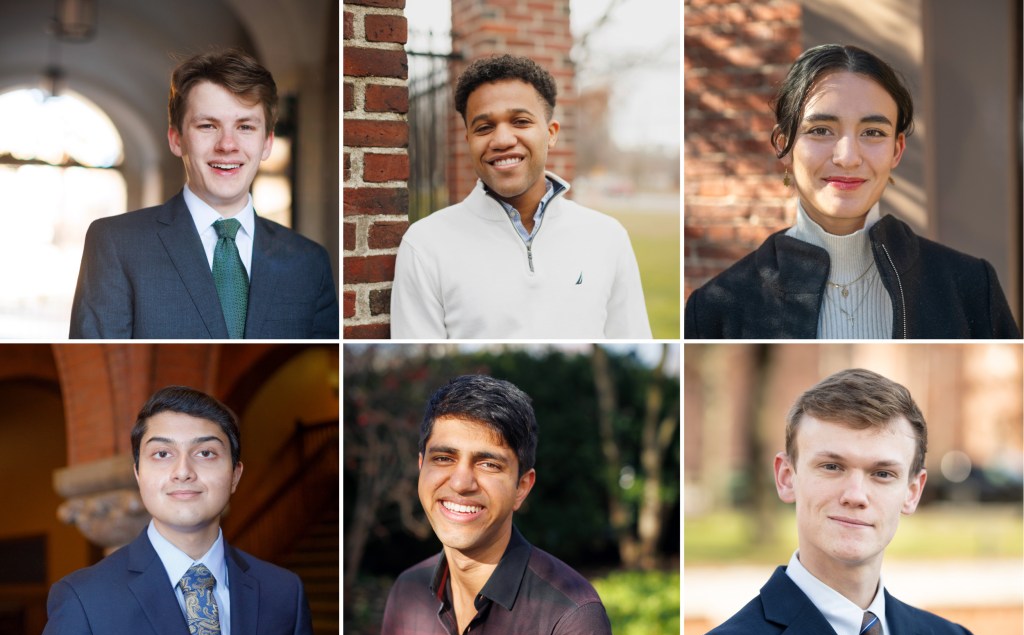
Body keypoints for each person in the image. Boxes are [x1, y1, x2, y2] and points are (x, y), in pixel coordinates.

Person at [684, 44, 1020, 339]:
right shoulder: (715, 308)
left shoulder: (971, 287)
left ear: (896, 150)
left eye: (872, 132)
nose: (847, 157)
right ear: (785, 145)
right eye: (820, 130)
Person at [684, 368, 1001, 635]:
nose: (855, 496)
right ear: (786, 478)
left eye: (882, 473)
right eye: (832, 466)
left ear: (912, 492)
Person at [34, 386, 319, 635]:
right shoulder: (84, 600)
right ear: (138, 474)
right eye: (162, 454)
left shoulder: (284, 592)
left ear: (235, 475)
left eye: (206, 453)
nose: (183, 471)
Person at [70, 48, 338, 339]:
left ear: (267, 143)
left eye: (245, 127)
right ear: (176, 139)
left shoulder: (309, 263)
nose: (227, 144)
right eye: (208, 126)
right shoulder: (117, 244)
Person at [390, 54, 652, 339]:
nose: (502, 140)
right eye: (484, 127)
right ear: (468, 140)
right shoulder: (425, 246)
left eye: (520, 121)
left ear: (550, 134)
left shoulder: (608, 237)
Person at [379, 375, 616, 635]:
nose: (461, 482)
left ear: (522, 487)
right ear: (421, 466)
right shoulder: (406, 592)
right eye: (444, 458)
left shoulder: (571, 618)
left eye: (488, 464)